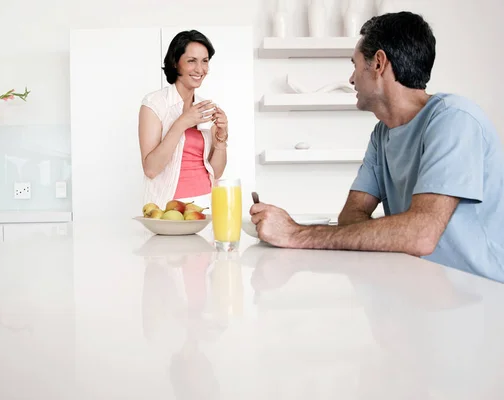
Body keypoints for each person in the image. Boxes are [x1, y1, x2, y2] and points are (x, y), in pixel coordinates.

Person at [250, 11, 504, 283]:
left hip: (480, 297)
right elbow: (350, 216)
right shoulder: (382, 133)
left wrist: (296, 234)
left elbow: (420, 235)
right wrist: (397, 232)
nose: (351, 79)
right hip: (419, 288)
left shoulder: (455, 120)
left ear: (378, 63)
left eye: (355, 65)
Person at [139, 30, 229, 210]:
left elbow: (216, 172)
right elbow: (151, 169)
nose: (200, 69)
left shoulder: (206, 107)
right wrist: (181, 123)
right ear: (175, 62)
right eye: (191, 61)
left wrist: (221, 137)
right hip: (168, 207)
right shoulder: (154, 104)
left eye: (205, 61)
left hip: (206, 205)